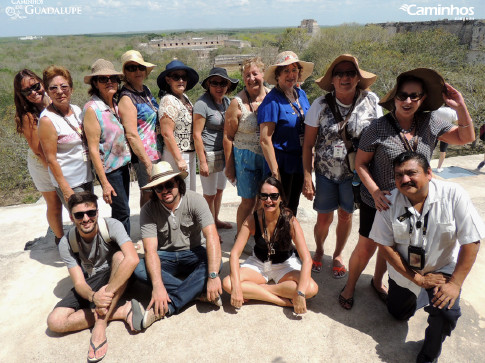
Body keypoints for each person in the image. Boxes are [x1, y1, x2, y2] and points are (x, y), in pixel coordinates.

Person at [339, 68, 475, 310]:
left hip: (414, 202)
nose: (408, 101)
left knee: (393, 247)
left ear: (422, 99)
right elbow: (360, 164)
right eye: (402, 95)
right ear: (395, 98)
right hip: (380, 201)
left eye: (415, 96)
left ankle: (378, 282)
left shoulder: (430, 122)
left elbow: (465, 138)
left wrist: (460, 106)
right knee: (368, 246)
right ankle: (350, 286)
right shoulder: (379, 127)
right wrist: (374, 191)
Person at [371, 151, 484, 363]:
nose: (404, 180)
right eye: (398, 175)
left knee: (446, 313)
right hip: (405, 273)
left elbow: (471, 241)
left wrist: (455, 284)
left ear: (429, 173)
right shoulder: (388, 202)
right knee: (397, 315)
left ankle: (429, 354)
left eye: (411, 173)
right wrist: (419, 280)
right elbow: (384, 245)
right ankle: (422, 293)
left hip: (442, 267)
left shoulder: (453, 194)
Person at [302, 54, 382, 277]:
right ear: (333, 79)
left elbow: (381, 138)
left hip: (356, 174)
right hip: (326, 172)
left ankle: (337, 254)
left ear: (358, 78)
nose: (345, 78)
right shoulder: (320, 105)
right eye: (340, 74)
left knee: (346, 215)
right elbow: (308, 144)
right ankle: (319, 251)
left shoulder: (372, 101)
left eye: (350, 73)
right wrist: (307, 177)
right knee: (324, 217)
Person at [46, 191, 141, 363]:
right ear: (71, 217)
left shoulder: (112, 225)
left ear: (97, 212)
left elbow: (132, 258)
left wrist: (107, 293)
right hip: (93, 282)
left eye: (91, 213)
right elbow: (80, 283)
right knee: (55, 321)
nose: (86, 218)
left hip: (119, 275)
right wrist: (93, 296)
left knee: (120, 256)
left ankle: (101, 324)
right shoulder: (67, 243)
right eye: (79, 215)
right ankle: (121, 311)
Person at [133, 162, 222, 329]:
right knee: (138, 268)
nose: (164, 190)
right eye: (159, 188)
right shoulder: (148, 210)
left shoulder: (196, 200)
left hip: (193, 253)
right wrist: (158, 286)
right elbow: (150, 250)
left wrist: (212, 276)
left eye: (169, 185)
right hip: (164, 256)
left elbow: (212, 237)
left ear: (178, 183)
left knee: (216, 264)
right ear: (154, 191)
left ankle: (169, 306)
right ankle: (197, 294)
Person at [223, 176, 318, 313]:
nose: (269, 200)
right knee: (228, 284)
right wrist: (237, 288)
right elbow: (234, 254)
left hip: (285, 265)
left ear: (281, 198)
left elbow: (307, 259)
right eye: (264, 196)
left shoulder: (290, 221)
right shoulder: (252, 219)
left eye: (274, 196)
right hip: (259, 263)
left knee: (311, 289)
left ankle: (257, 290)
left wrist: (301, 294)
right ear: (259, 198)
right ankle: (280, 300)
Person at [258, 51, 313, 216]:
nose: (291, 75)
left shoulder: (300, 94)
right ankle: (272, 241)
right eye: (286, 71)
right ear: (278, 75)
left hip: (299, 161)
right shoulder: (272, 101)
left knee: (292, 206)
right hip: (282, 164)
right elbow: (265, 139)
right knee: (277, 208)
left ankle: (286, 238)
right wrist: (275, 173)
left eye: (294, 70)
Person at [13, 69, 64, 246]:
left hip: (59, 157)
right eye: (27, 91)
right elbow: (39, 151)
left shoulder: (52, 101)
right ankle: (60, 238)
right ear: (21, 95)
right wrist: (55, 173)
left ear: (42, 83)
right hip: (42, 163)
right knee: (55, 203)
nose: (34, 92)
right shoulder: (28, 116)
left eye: (36, 86)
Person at [83, 59, 132, 234]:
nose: (109, 81)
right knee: (122, 211)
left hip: (122, 166)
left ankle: (121, 242)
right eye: (103, 79)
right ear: (95, 83)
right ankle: (122, 246)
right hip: (110, 170)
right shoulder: (93, 109)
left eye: (112, 78)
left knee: (122, 209)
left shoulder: (114, 105)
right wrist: (104, 183)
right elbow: (93, 150)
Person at [223, 57, 269, 234]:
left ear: (263, 74)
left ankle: (257, 233)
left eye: (255, 74)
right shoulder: (237, 103)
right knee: (248, 200)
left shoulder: (272, 97)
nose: (251, 78)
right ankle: (241, 238)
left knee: (263, 199)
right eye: (247, 75)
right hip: (245, 157)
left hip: (267, 156)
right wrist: (229, 166)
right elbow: (228, 136)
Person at [38, 66, 93, 207]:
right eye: (53, 88)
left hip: (86, 177)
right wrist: (65, 188)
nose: (60, 92)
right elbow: (51, 159)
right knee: (83, 220)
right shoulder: (47, 120)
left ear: (71, 89)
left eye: (64, 86)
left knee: (90, 218)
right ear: (47, 92)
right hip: (70, 182)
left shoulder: (77, 110)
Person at [193, 67, 239, 232]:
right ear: (208, 85)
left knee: (219, 191)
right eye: (215, 83)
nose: (219, 87)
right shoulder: (202, 104)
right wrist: (203, 162)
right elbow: (197, 135)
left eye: (222, 83)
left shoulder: (227, 102)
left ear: (228, 85)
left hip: (224, 154)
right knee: (209, 194)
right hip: (209, 154)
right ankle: (209, 229)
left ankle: (216, 220)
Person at [118, 50, 160, 207]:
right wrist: (147, 163)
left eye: (140, 67)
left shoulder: (145, 90)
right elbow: (131, 134)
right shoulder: (126, 98)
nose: (137, 71)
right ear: (125, 73)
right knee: (148, 192)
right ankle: (147, 228)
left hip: (155, 150)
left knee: (157, 191)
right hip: (143, 154)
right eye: (131, 68)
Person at [157, 59, 199, 191]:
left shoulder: (184, 97)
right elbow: (167, 133)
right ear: (168, 80)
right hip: (177, 155)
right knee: (180, 194)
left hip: (189, 154)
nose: (181, 80)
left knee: (190, 194)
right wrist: (179, 159)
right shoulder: (168, 100)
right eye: (176, 77)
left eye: (184, 77)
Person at [433, 107, 458, 173]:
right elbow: (458, 122)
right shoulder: (453, 112)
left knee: (430, 149)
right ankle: (439, 167)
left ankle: (427, 166)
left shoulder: (438, 109)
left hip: (435, 131)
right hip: (446, 132)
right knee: (443, 150)